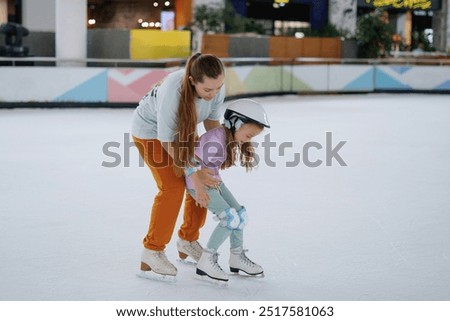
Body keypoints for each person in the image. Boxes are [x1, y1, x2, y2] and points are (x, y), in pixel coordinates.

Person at [131, 53, 225, 280]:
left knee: (205, 181)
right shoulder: (172, 92)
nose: (213, 95)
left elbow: (212, 124)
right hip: (151, 134)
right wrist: (194, 172)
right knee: (173, 188)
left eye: (218, 88)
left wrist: (214, 158)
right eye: (207, 91)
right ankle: (152, 251)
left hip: (183, 132)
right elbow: (166, 140)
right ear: (193, 81)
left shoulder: (215, 85)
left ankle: (188, 239)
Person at [184, 99, 270, 283]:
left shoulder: (225, 136)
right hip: (198, 183)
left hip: (214, 181)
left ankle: (236, 258)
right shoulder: (215, 139)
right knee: (229, 218)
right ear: (236, 123)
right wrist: (199, 188)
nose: (248, 140)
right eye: (248, 135)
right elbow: (189, 161)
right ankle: (206, 261)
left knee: (240, 215)